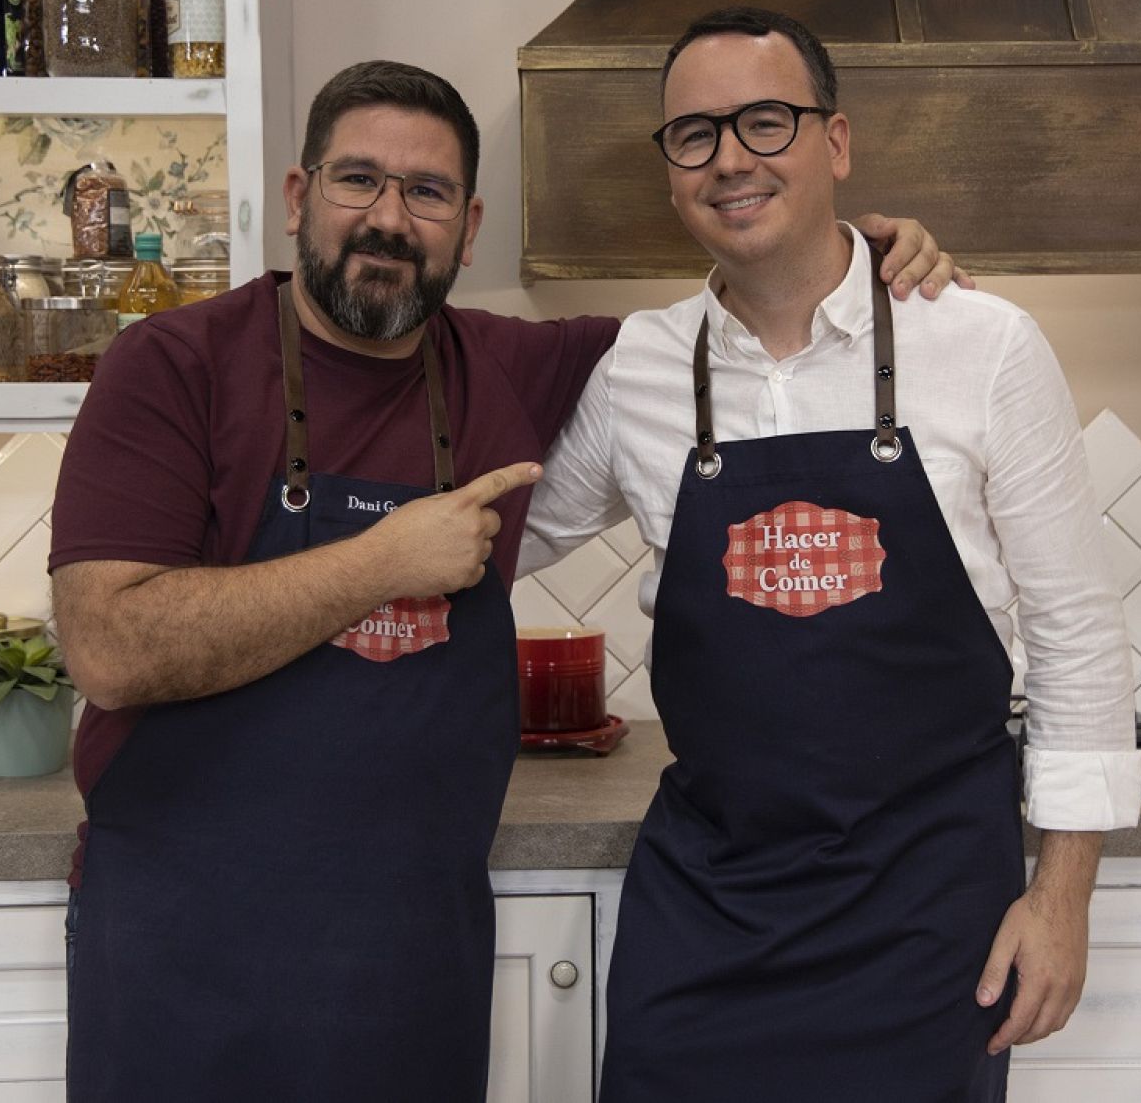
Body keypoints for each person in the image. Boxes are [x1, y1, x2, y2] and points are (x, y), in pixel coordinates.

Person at [49, 58, 958, 1100]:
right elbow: (110, 650)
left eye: (426, 193)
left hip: (413, 953)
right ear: (300, 199)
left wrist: (857, 252)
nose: (389, 218)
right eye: (358, 181)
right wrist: (384, 559)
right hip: (183, 947)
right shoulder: (174, 364)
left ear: (467, 228)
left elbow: (752, 331)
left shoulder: (525, 368)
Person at [520, 7, 1141, 1102]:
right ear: (669, 171)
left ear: (837, 143)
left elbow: (1078, 640)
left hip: (925, 916)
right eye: (694, 134)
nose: (729, 160)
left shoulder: (980, 343)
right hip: (711, 908)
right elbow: (494, 541)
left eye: (765, 122)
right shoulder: (639, 370)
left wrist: (1060, 900)